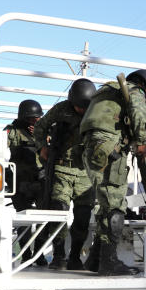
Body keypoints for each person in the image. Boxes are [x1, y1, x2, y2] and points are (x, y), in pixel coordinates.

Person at [79, 69, 146, 276]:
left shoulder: (106, 92)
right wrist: (142, 143)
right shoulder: (135, 92)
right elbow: (139, 116)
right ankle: (109, 262)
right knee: (115, 208)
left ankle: (96, 259)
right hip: (110, 150)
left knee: (106, 205)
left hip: (92, 149)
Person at [35, 78, 97, 270]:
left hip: (86, 173)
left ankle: (75, 257)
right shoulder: (61, 109)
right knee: (59, 212)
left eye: (84, 107)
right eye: (78, 107)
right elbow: (40, 126)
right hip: (62, 169)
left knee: (82, 217)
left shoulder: (97, 110)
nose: (81, 111)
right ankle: (59, 256)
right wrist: (42, 147)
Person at [6, 99, 44, 264]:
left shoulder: (44, 131)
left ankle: (40, 254)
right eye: (31, 119)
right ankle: (27, 255)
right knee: (24, 222)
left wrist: (40, 134)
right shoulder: (11, 131)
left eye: (37, 118)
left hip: (41, 181)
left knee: (44, 220)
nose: (34, 121)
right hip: (20, 183)